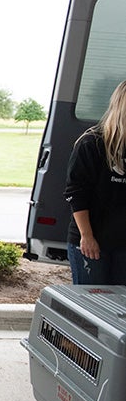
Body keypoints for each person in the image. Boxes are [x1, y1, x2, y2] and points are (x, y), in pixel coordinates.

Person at [64, 80, 126, 285]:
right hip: (92, 241)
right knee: (91, 305)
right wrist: (87, 237)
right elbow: (76, 192)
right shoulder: (92, 143)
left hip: (122, 243)